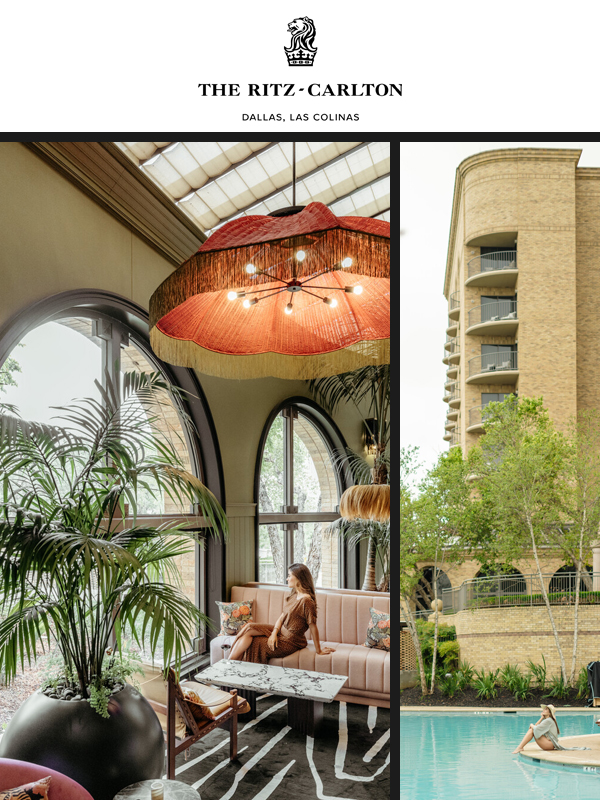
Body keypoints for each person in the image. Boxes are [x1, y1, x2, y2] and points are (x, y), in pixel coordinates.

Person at [228, 563, 335, 663]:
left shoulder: (306, 601)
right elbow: (282, 617)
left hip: (291, 641)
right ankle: (230, 662)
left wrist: (319, 650)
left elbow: (313, 627)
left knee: (255, 641)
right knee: (249, 627)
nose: (287, 579)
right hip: (280, 632)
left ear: (298, 578)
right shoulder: (294, 595)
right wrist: (273, 634)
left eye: (289, 576)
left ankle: (230, 664)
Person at [512, 703, 590, 753]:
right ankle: (520, 747)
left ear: (549, 713)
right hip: (549, 744)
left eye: (546, 709)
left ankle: (520, 747)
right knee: (532, 729)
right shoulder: (548, 720)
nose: (544, 710)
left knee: (532, 729)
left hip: (549, 745)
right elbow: (537, 727)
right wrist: (541, 718)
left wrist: (531, 725)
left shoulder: (549, 721)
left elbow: (535, 728)